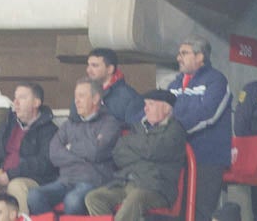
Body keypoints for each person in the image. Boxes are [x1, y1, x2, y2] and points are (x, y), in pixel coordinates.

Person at [82, 90, 187, 221]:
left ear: (166, 108)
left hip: (156, 187)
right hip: (127, 182)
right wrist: (140, 150)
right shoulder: (139, 127)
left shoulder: (175, 131)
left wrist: (130, 142)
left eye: (151, 104)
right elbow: (118, 154)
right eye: (145, 104)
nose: (145, 108)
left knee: (135, 199)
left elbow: (153, 150)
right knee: (94, 198)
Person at [31, 79, 119, 216]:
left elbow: (96, 152)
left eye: (82, 96)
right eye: (76, 96)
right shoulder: (69, 124)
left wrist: (69, 148)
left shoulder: (109, 123)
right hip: (65, 180)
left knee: (72, 201)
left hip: (94, 180)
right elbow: (53, 153)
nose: (76, 101)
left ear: (95, 98)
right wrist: (83, 154)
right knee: (34, 196)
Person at [168, 38, 231, 220]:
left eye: (184, 53)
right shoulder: (174, 84)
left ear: (200, 56)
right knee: (175, 212)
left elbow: (208, 114)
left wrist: (175, 129)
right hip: (177, 157)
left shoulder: (217, 81)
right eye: (179, 53)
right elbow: (162, 111)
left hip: (207, 158)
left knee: (199, 212)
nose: (178, 58)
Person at [0, 84, 58, 213]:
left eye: (22, 98)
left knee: (16, 186)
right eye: (15, 98)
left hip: (34, 180)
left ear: (36, 102)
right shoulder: (8, 124)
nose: (15, 103)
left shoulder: (49, 130)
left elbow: (44, 162)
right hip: (1, 177)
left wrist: (10, 175)